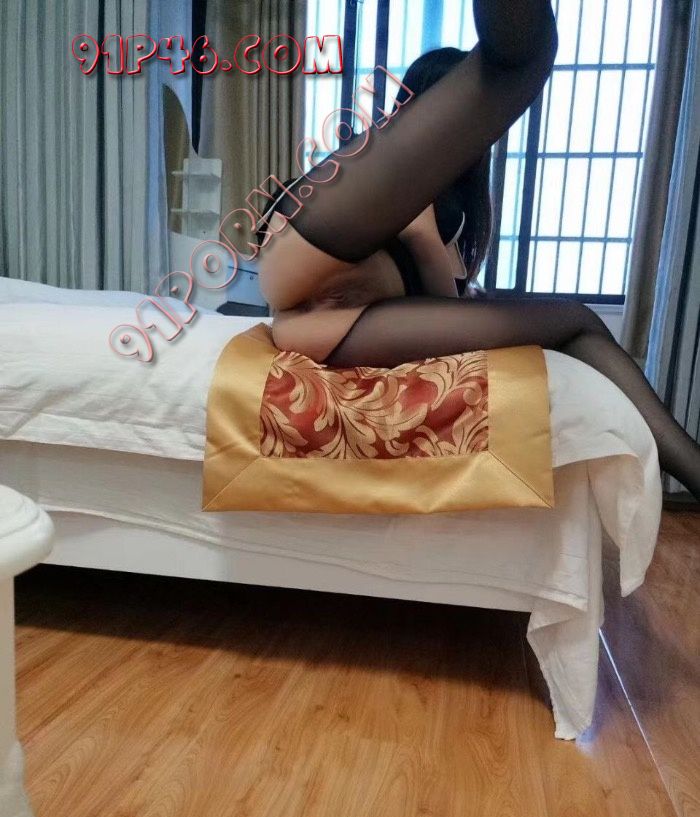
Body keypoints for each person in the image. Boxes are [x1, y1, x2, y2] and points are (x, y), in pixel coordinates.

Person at [256, 0, 700, 500]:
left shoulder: (451, 201)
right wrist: (443, 269)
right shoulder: (412, 186)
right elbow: (436, 284)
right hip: (305, 269)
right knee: (517, 63)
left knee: (578, 323)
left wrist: (445, 268)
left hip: (322, 322)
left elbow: (439, 297)